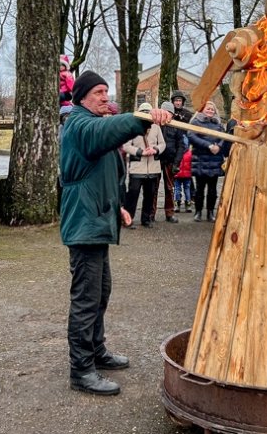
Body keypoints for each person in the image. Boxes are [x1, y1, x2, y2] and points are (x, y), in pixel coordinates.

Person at [59, 70, 171, 395]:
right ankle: (81, 371)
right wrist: (143, 117)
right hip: (83, 226)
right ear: (81, 97)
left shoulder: (93, 126)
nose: (104, 97)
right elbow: (108, 130)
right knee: (86, 299)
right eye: (97, 92)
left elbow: (104, 175)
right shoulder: (79, 124)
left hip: (96, 221)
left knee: (101, 291)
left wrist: (118, 207)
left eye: (106, 91)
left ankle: (96, 351)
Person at [122, 102, 166, 228]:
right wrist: (140, 152)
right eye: (144, 113)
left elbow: (162, 144)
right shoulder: (133, 128)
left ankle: (146, 219)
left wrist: (155, 150)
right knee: (133, 194)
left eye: (149, 113)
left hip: (153, 166)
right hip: (138, 167)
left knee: (150, 194)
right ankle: (128, 219)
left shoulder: (156, 128)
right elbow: (126, 146)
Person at [187, 101, 225, 222]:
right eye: (208, 109)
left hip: (215, 159)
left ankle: (210, 212)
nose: (210, 111)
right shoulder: (196, 122)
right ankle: (198, 212)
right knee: (200, 188)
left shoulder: (218, 124)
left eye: (212, 109)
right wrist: (208, 145)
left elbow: (223, 138)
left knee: (213, 189)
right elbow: (191, 136)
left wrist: (218, 147)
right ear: (202, 110)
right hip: (200, 159)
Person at [157, 100, 185, 223]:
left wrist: (176, 163)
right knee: (153, 188)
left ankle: (170, 212)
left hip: (170, 161)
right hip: (156, 160)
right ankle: (150, 213)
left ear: (172, 114)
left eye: (169, 112)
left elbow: (181, 146)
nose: (167, 114)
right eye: (165, 112)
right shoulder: (155, 125)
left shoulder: (176, 127)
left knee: (169, 188)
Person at [174, 146, 192, 213]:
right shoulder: (189, 153)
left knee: (177, 189)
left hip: (177, 174)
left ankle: (177, 205)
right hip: (187, 175)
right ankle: (188, 205)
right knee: (187, 189)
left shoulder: (176, 152)